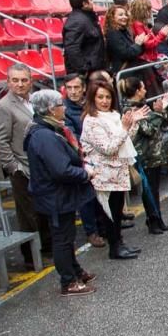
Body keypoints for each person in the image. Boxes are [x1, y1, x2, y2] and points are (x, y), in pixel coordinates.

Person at [23, 90, 97, 297]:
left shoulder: (48, 129)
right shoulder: (44, 135)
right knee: (62, 239)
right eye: (60, 105)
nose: (64, 108)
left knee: (67, 236)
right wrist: (85, 173)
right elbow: (60, 169)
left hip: (58, 195)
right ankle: (68, 281)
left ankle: (75, 272)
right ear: (50, 109)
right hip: (54, 197)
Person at [0, 63, 51, 264]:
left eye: (24, 80)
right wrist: (14, 168)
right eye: (15, 80)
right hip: (22, 169)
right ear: (7, 82)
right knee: (28, 214)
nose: (20, 84)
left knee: (42, 210)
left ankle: (45, 248)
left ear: (31, 82)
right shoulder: (2, 106)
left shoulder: (33, 102)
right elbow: (0, 140)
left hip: (39, 167)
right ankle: (30, 256)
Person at [80, 80, 148, 261]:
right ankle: (114, 248)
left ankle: (120, 243)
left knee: (117, 212)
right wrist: (125, 128)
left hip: (119, 172)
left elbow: (125, 140)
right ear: (92, 98)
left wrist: (133, 124)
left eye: (108, 97)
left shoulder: (113, 115)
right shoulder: (91, 121)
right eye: (100, 97)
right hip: (104, 175)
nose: (104, 101)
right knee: (109, 213)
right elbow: (108, 148)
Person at [120, 77, 168, 235]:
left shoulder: (141, 106)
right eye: (142, 88)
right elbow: (148, 130)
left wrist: (159, 113)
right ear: (137, 91)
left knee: (154, 189)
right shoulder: (130, 110)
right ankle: (152, 220)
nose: (145, 90)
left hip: (153, 153)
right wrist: (158, 112)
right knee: (148, 190)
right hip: (145, 156)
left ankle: (158, 218)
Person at [61, 73, 104, 248]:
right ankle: (91, 231)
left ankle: (103, 226)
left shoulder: (89, 103)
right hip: (81, 158)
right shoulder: (64, 109)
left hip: (97, 154)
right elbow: (72, 136)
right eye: (69, 88)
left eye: (76, 87)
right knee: (86, 197)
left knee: (100, 194)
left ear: (84, 88)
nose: (73, 91)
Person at [63, 0, 106, 77]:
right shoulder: (76, 21)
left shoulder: (87, 18)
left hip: (94, 69)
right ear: (84, 3)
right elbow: (72, 48)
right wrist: (84, 69)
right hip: (86, 74)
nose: (93, 1)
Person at [103, 4, 147, 78]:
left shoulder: (125, 31)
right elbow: (125, 53)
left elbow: (135, 52)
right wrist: (137, 44)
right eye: (120, 15)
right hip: (124, 73)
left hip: (131, 70)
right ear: (112, 17)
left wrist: (142, 43)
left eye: (125, 14)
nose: (125, 17)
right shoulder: (112, 33)